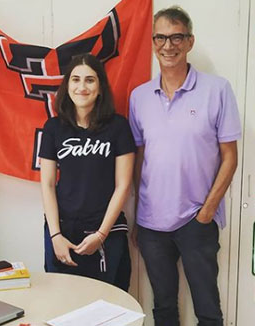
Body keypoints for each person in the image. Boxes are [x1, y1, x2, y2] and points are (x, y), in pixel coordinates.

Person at [129, 6, 241, 326]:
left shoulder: (217, 91)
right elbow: (140, 161)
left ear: (190, 41)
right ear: (153, 43)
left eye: (177, 37)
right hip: (152, 225)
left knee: (207, 308)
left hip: (197, 220)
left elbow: (229, 158)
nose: (169, 45)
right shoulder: (139, 98)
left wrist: (207, 211)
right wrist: (139, 215)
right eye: (161, 37)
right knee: (163, 307)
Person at [39, 54, 135, 290]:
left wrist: (101, 235)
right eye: (75, 80)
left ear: (100, 87)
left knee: (108, 310)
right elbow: (47, 184)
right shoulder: (53, 128)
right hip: (63, 233)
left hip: (106, 232)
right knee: (63, 307)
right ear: (67, 86)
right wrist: (55, 237)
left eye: (90, 80)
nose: (82, 87)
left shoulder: (118, 127)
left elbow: (123, 185)